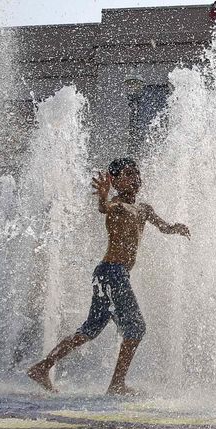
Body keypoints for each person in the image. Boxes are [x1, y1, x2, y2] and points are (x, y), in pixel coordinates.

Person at [28, 158, 190, 395]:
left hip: (109, 274)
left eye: (136, 172)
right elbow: (104, 208)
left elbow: (163, 227)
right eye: (128, 174)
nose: (135, 177)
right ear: (115, 181)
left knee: (90, 329)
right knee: (136, 327)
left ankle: (42, 367)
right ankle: (117, 384)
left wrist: (175, 228)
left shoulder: (144, 209)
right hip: (112, 273)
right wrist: (102, 196)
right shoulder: (116, 205)